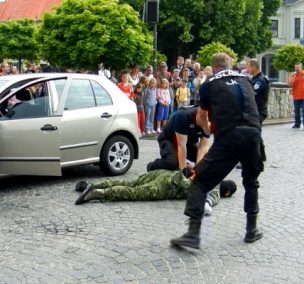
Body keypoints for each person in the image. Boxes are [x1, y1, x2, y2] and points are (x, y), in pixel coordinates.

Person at [171, 53, 264, 249]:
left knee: (200, 181)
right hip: (253, 134)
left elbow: (201, 116)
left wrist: (206, 130)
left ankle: (193, 234)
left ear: (213, 68)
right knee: (251, 181)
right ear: (230, 65)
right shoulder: (246, 79)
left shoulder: (209, 83)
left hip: (229, 136)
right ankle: (251, 229)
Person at [74, 170, 237, 212]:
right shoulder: (215, 188)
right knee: (134, 192)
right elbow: (210, 201)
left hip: (166, 173)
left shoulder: (210, 170)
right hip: (169, 186)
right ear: (227, 193)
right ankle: (96, 193)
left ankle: (92, 184)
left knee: (129, 182)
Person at [147, 106, 209, 173]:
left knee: (205, 161)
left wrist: (198, 168)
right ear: (198, 114)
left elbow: (203, 146)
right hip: (169, 139)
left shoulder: (209, 121)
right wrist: (184, 170)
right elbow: (181, 145)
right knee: (172, 162)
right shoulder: (183, 116)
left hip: (189, 141)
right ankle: (152, 166)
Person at [288, 62, 304, 129]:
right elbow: (290, 85)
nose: (297, 69)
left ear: (301, 68)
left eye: (298, 67)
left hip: (303, 96)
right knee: (296, 111)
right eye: (296, 67)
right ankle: (297, 124)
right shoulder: (292, 75)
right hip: (296, 96)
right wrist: (292, 77)